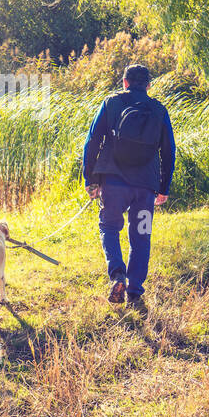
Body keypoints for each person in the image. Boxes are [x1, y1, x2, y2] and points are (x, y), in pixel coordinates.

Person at [81, 64, 176, 312]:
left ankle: (117, 277)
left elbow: (92, 141)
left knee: (110, 227)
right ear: (148, 86)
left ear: (124, 82)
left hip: (113, 183)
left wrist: (89, 180)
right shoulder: (159, 109)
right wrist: (163, 187)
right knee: (141, 236)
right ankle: (134, 291)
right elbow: (168, 151)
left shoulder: (111, 103)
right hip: (145, 189)